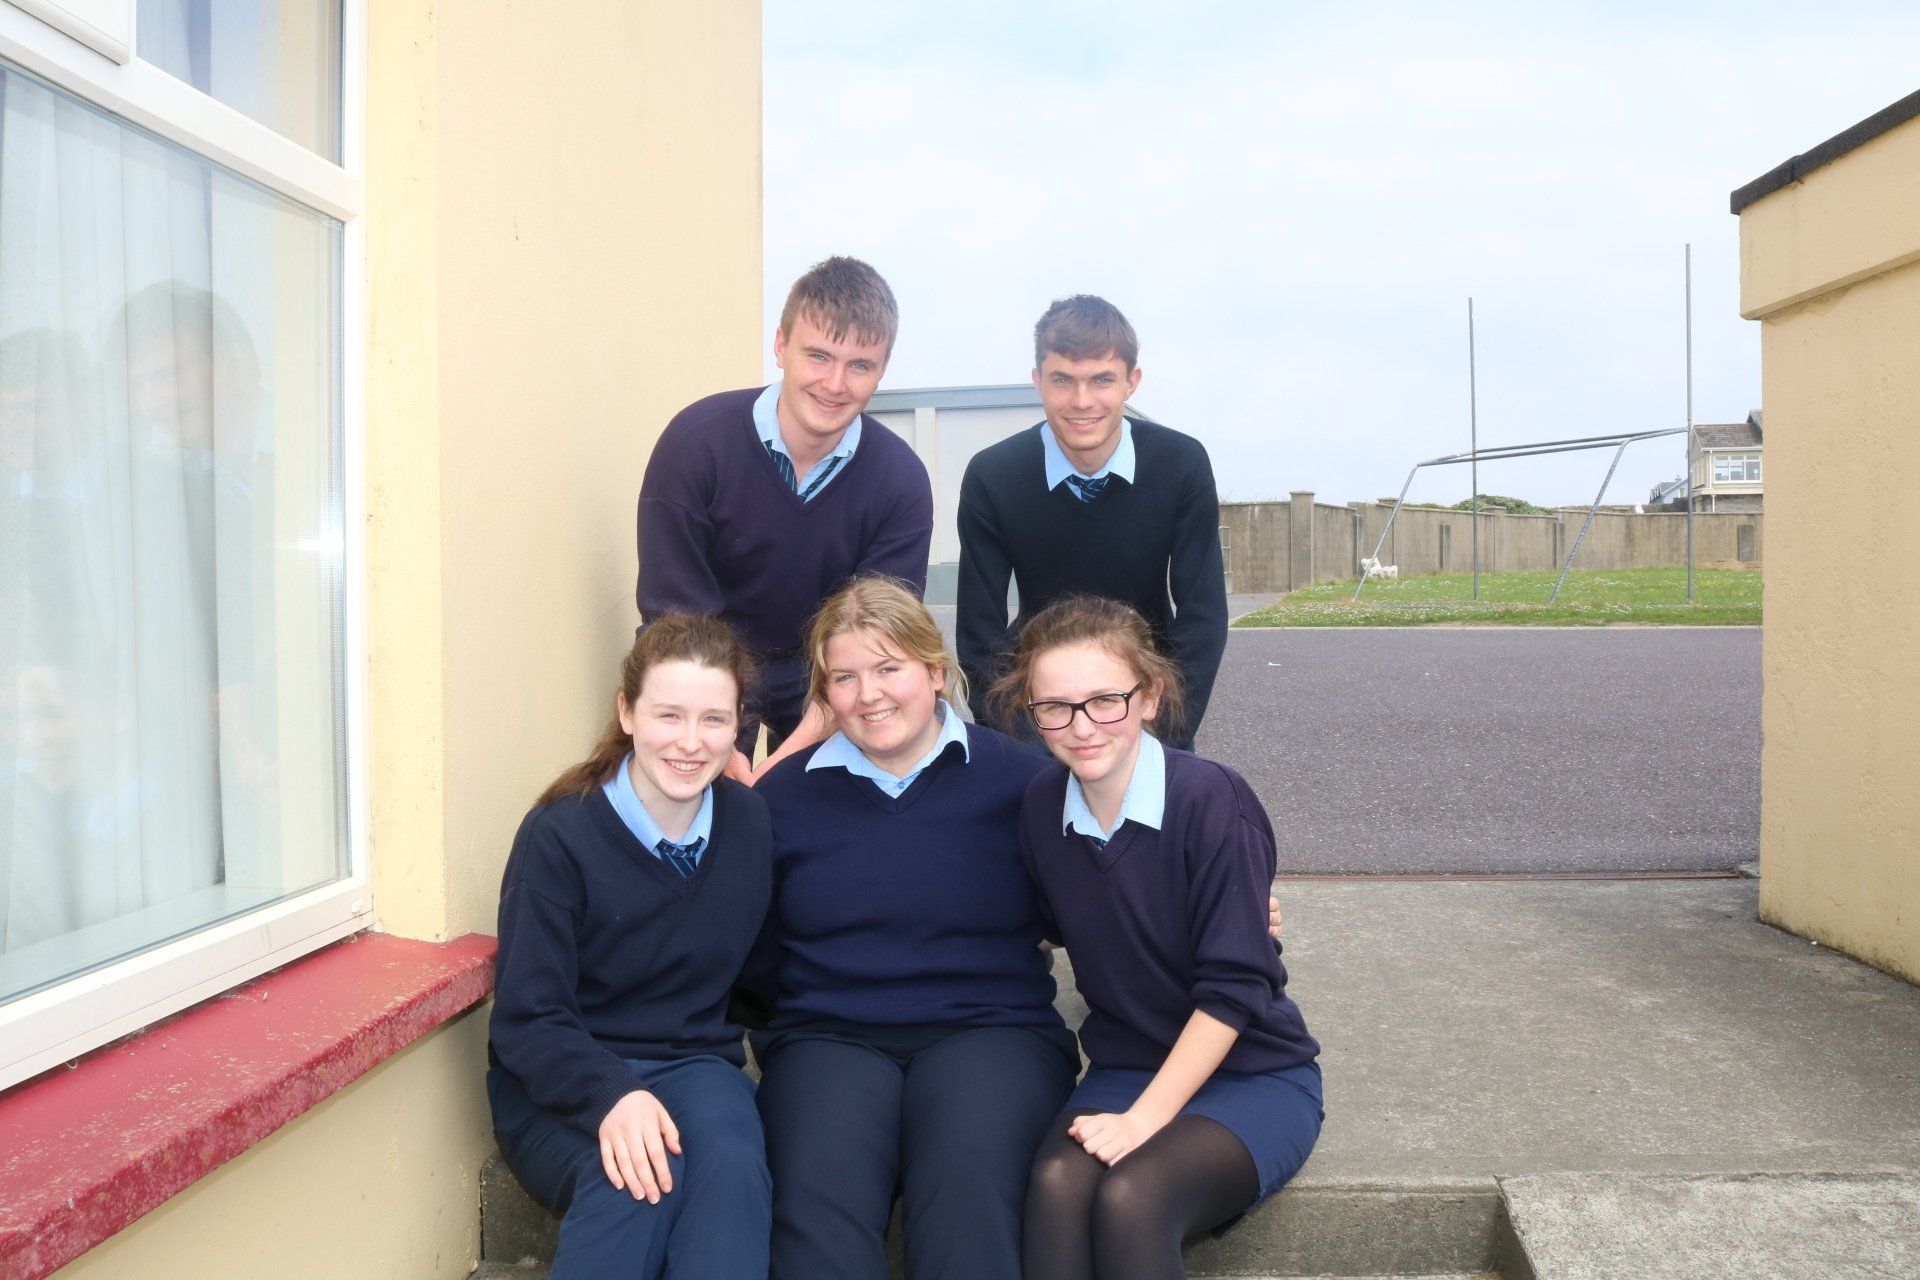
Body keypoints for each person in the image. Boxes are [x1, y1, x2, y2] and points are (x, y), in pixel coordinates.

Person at [748, 575, 1079, 1280]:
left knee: (967, 1189)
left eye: (888, 668)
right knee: (816, 1199)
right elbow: (749, 944)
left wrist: (1217, 907)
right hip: (828, 1035)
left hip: (991, 1030)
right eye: (844, 677)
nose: (868, 694)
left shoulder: (1023, 783)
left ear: (934, 671)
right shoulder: (781, 797)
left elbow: (1099, 896)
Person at [995, 595, 1322, 1280]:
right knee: (1055, 1186)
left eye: (1105, 700)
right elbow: (1047, 921)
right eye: (1054, 707)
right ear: (1031, 710)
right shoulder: (1041, 807)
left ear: (1150, 697)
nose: (1081, 726)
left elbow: (1235, 989)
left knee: (1132, 1196)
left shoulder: (1211, 798)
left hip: (1252, 1072)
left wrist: (1142, 1122)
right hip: (1127, 1065)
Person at [487, 615, 774, 1279]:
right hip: (560, 1081)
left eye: (713, 719)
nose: (690, 742)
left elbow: (763, 980)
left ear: (739, 726)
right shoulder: (559, 835)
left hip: (694, 1066)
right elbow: (529, 1017)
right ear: (627, 712)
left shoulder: (750, 824)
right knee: (638, 1178)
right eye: (668, 715)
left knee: (732, 1167)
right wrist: (612, 1094)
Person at [635, 256, 934, 777]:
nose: (835, 383)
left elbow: (876, 643)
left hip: (830, 668)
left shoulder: (900, 480)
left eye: (860, 365)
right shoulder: (695, 445)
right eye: (818, 356)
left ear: (883, 369)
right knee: (693, 793)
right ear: (780, 345)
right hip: (709, 656)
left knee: (840, 796)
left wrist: (782, 765)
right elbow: (675, 623)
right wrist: (719, 749)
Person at [955, 295, 1227, 751]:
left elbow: (1203, 616)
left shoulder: (1181, 464)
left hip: (1149, 707)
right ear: (1038, 381)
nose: (1082, 402)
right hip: (1040, 712)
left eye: (1102, 379)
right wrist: (1026, 745)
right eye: (1063, 380)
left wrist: (1162, 735)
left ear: (1131, 382)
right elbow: (979, 633)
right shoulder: (993, 476)